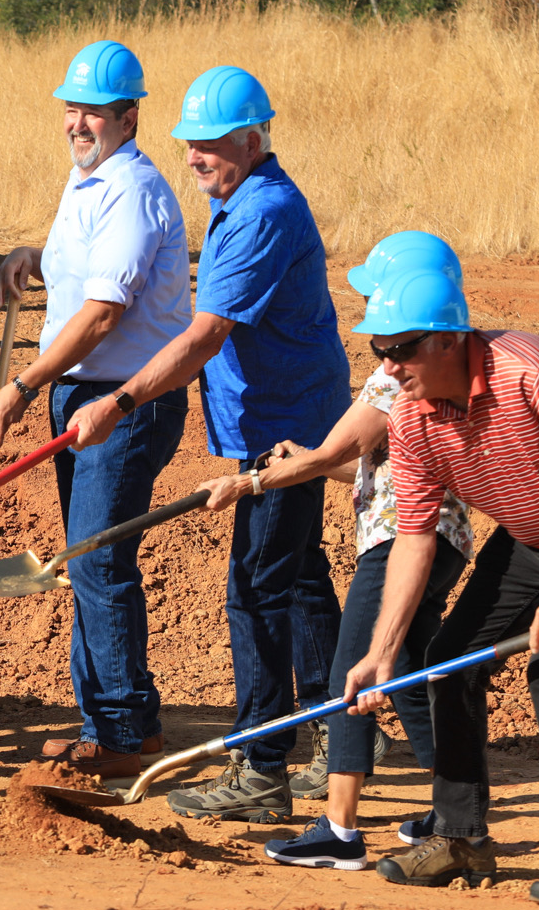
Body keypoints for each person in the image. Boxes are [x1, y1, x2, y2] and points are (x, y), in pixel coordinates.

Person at [69, 64, 350, 818]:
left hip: (285, 422)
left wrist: (120, 401)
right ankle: (336, 731)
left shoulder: (261, 212)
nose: (193, 157)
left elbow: (204, 336)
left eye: (210, 144)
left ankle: (262, 768)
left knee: (256, 587)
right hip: (282, 410)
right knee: (296, 573)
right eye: (188, 143)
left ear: (254, 138)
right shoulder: (245, 196)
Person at [342, 251, 539, 907]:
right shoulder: (409, 415)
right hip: (531, 532)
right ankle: (461, 837)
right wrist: (379, 653)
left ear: (452, 340)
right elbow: (413, 537)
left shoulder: (533, 371)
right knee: (447, 660)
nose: (387, 368)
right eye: (379, 350)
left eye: (400, 349)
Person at [199, 233, 476, 870]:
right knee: (409, 672)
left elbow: (334, 455)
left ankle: (340, 829)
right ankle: (451, 805)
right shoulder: (430, 368)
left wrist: (248, 481)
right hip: (441, 534)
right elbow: (361, 466)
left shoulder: (393, 383)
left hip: (402, 540)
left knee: (348, 673)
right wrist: (303, 462)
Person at [0, 41, 194, 778]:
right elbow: (84, 269)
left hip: (123, 400)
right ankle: (109, 723)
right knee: (85, 559)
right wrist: (31, 259)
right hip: (84, 392)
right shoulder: (87, 181)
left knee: (100, 563)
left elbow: (106, 312)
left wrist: (26, 382)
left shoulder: (133, 190)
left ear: (128, 116)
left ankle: (122, 733)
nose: (77, 122)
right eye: (71, 109)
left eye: (93, 112)